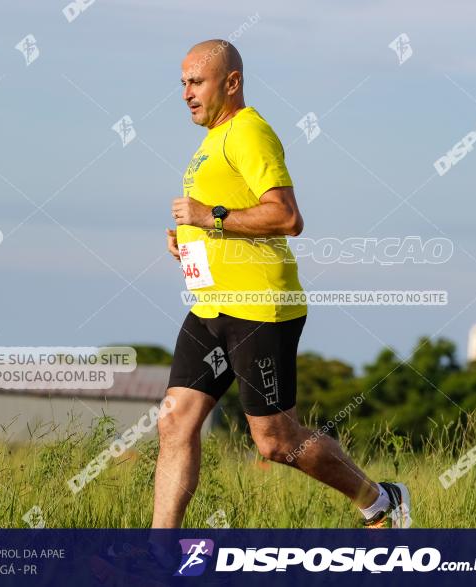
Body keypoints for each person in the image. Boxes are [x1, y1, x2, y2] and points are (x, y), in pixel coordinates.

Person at [152, 39, 411, 529]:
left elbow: (287, 216)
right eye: (182, 82)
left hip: (258, 307)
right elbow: (225, 221)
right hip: (210, 306)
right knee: (174, 421)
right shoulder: (209, 143)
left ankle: (380, 502)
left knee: (275, 441)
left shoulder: (249, 133)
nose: (186, 92)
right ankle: (158, 556)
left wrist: (209, 216)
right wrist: (190, 239)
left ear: (231, 82)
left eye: (196, 81)